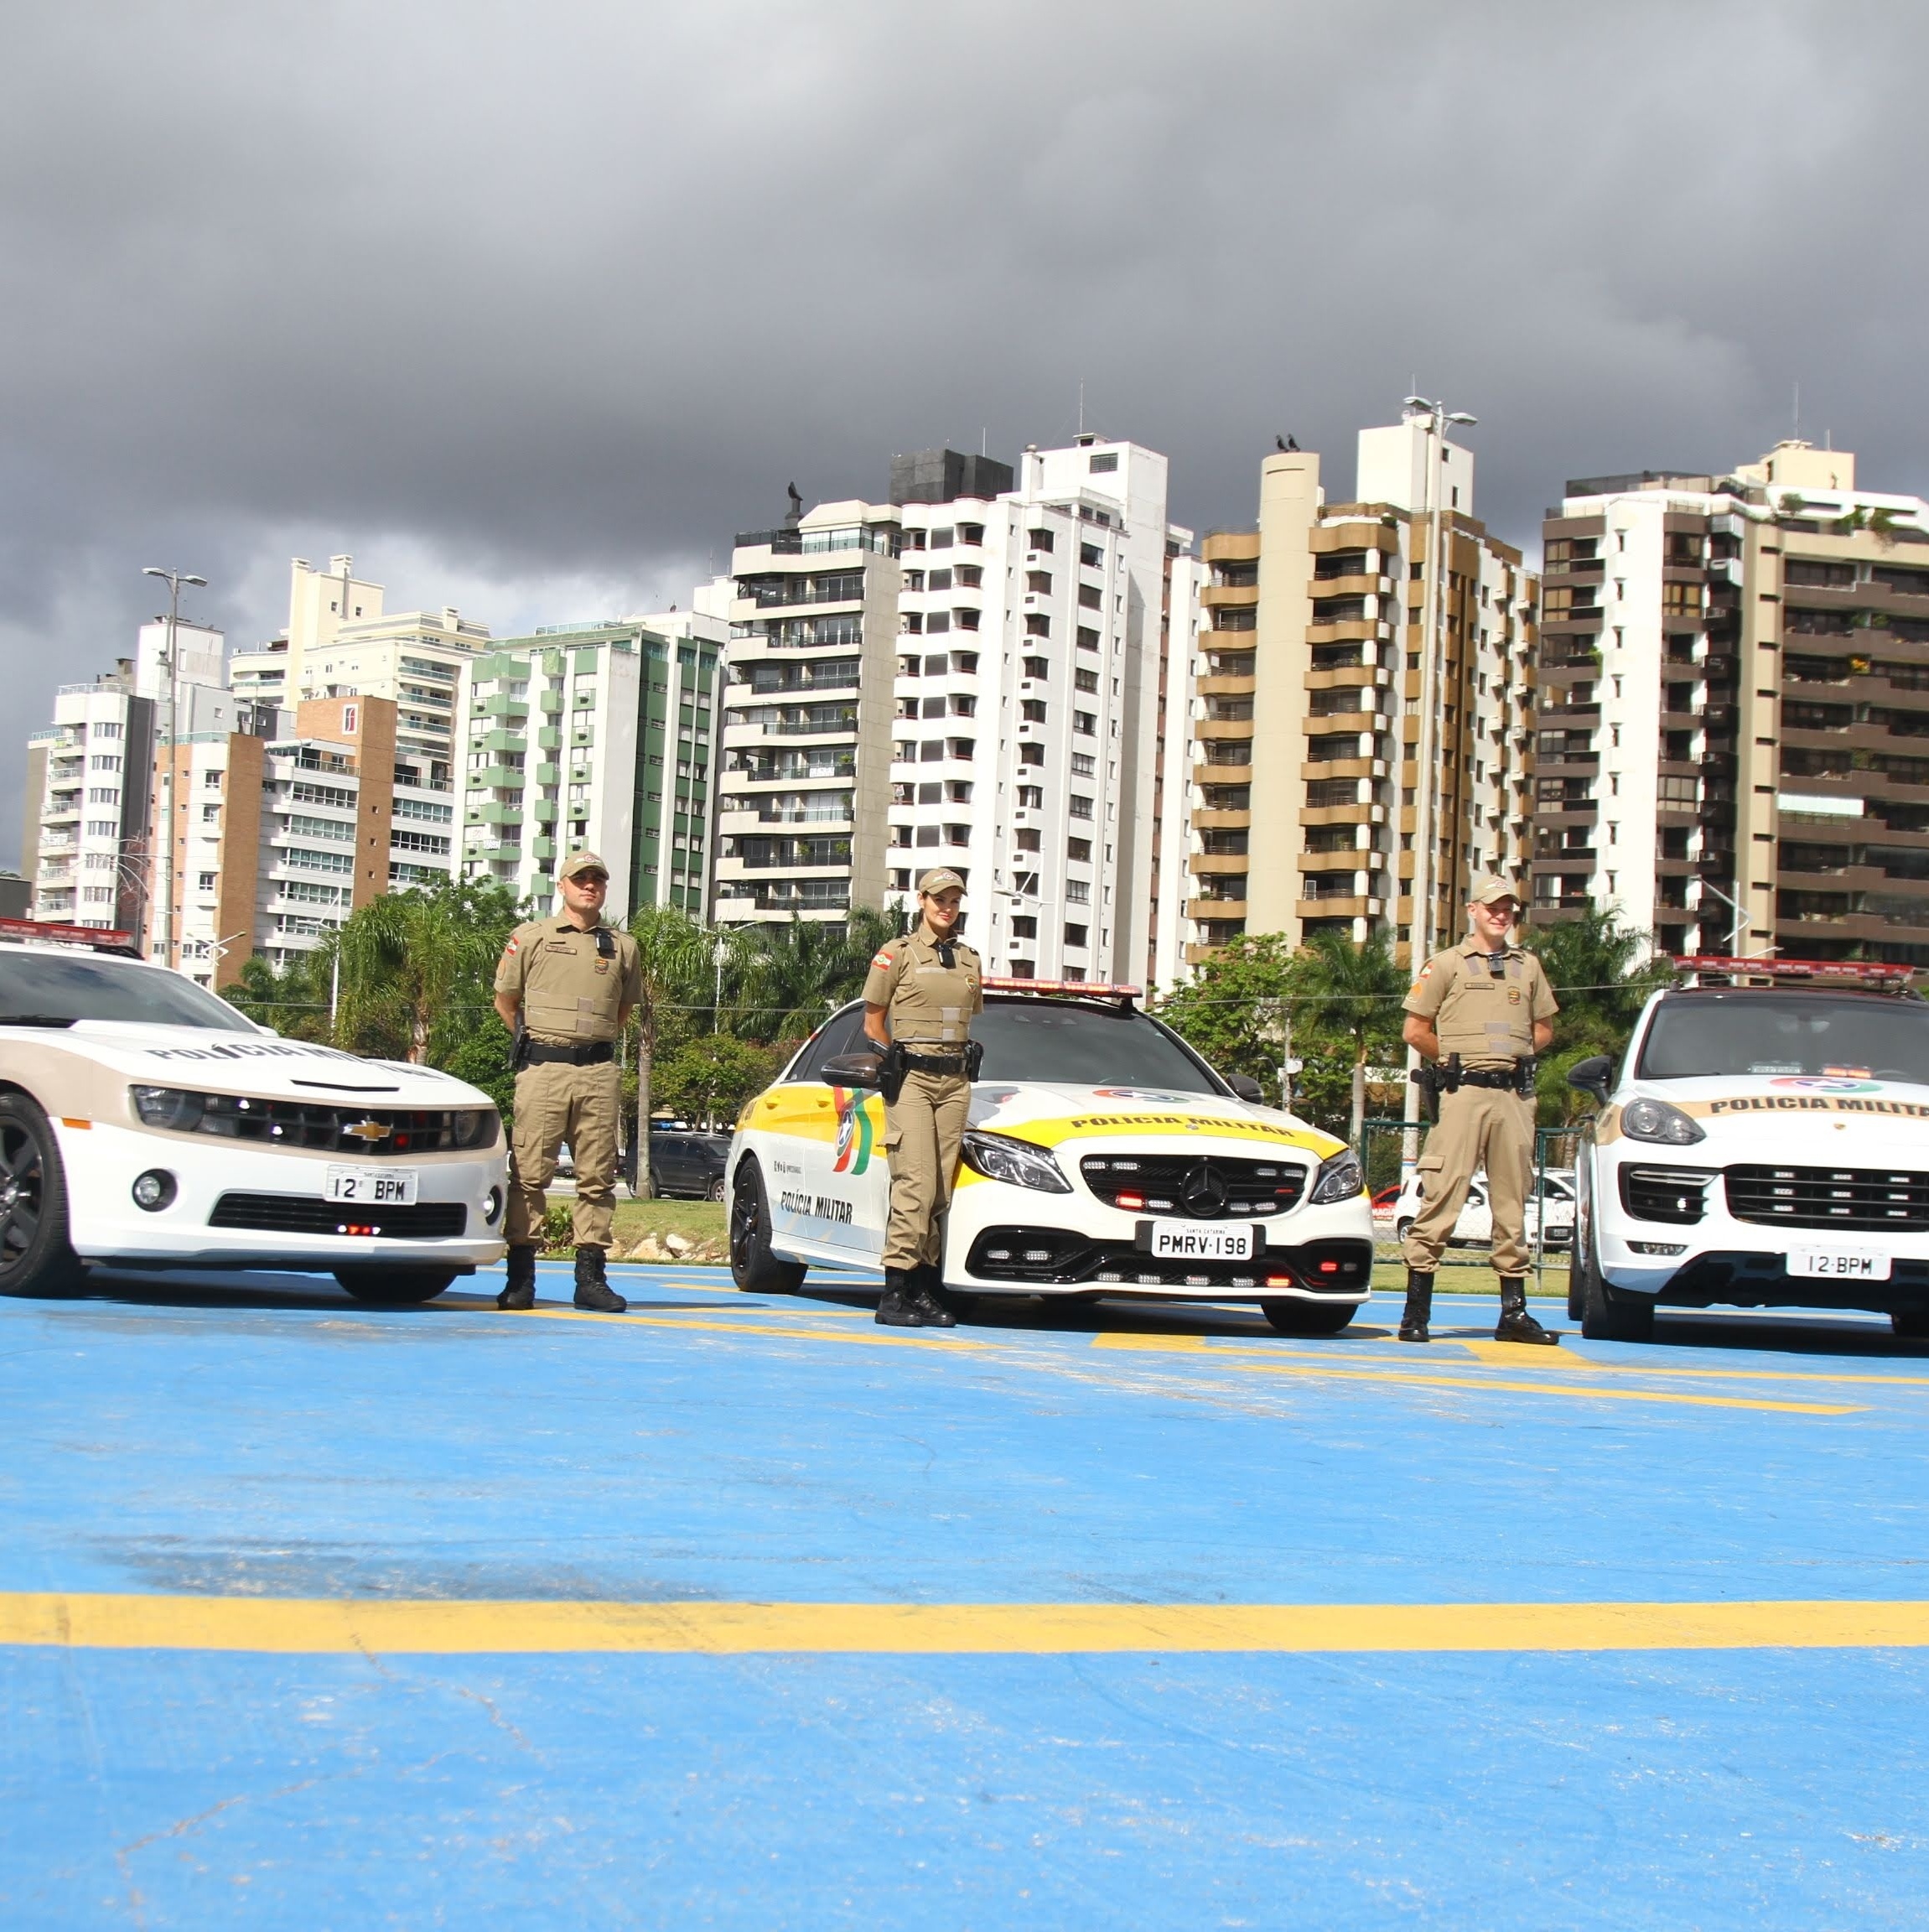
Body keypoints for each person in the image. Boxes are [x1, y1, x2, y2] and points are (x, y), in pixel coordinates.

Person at [1399, 876, 1558, 1346]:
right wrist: (1450, 1063)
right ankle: (1416, 1313)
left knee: (1512, 1204)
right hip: (1463, 1093)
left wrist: (1521, 1056)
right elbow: (1415, 1030)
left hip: (1513, 1097)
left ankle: (1514, 1314)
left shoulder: (1527, 967)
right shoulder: (1446, 964)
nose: (1501, 914)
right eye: (1493, 906)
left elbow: (1544, 1028)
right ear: (1473, 909)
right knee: (1442, 1196)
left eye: (1508, 907)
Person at [492, 851, 643, 1313]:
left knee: (597, 1178)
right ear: (562, 885)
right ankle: (521, 1278)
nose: (590, 886)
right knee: (529, 1175)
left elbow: (623, 1011)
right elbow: (506, 1001)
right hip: (543, 1072)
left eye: (598, 878)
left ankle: (590, 1279)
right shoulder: (531, 937)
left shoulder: (623, 946)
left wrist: (589, 1043)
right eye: (581, 879)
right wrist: (542, 1045)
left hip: (598, 1073)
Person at [860, 868, 983, 1327]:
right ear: (922, 900)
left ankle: (923, 1292)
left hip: (955, 1083)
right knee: (915, 1184)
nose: (946, 907)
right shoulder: (897, 954)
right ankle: (894, 1293)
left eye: (953, 900)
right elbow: (873, 1022)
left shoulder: (970, 960)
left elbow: (968, 1021)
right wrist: (891, 1058)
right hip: (911, 1079)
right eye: (938, 899)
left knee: (940, 1193)